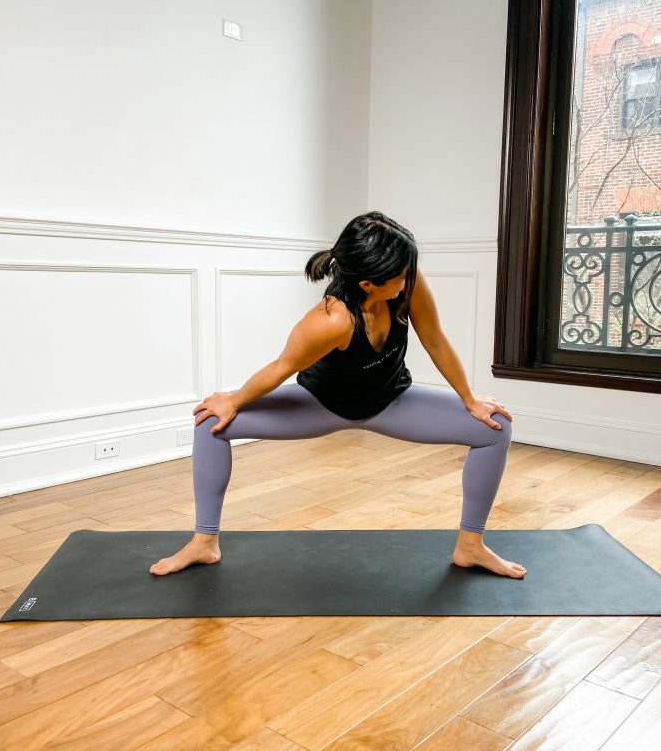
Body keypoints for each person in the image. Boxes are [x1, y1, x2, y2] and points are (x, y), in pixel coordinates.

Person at [150, 211, 525, 579]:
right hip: (319, 406)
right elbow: (281, 368)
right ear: (368, 284)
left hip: (391, 401)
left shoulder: (403, 283)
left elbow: (435, 340)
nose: (406, 281)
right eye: (398, 277)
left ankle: (470, 547)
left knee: (494, 430)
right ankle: (204, 542)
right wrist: (231, 401)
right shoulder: (329, 321)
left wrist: (470, 399)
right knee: (210, 422)